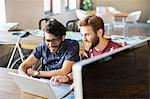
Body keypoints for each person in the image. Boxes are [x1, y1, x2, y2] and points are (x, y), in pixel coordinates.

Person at [50, 15, 122, 84]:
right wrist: (67, 78)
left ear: (99, 32)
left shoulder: (117, 51)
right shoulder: (89, 49)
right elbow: (83, 70)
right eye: (82, 35)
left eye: (87, 35)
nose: (84, 39)